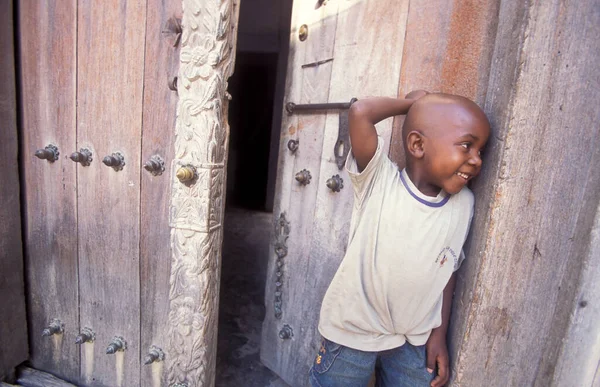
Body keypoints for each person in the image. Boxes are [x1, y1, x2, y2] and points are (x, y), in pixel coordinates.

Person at [309, 91, 491, 387]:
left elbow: (448, 269)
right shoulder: (380, 181)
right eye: (467, 146)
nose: (476, 160)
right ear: (418, 144)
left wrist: (439, 335)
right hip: (353, 335)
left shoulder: (463, 205)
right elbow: (361, 112)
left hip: (412, 341)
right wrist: (415, 104)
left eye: (481, 151)